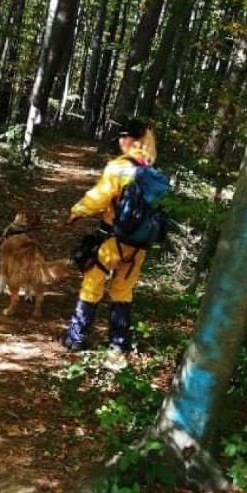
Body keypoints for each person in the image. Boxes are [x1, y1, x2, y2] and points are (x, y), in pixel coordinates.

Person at [61, 117, 158, 356]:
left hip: (113, 240)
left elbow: (100, 196)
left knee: (93, 282)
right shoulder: (151, 171)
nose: (119, 142)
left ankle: (77, 337)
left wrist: (77, 212)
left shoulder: (118, 167)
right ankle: (119, 342)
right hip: (139, 246)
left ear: (128, 140)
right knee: (123, 290)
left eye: (121, 138)